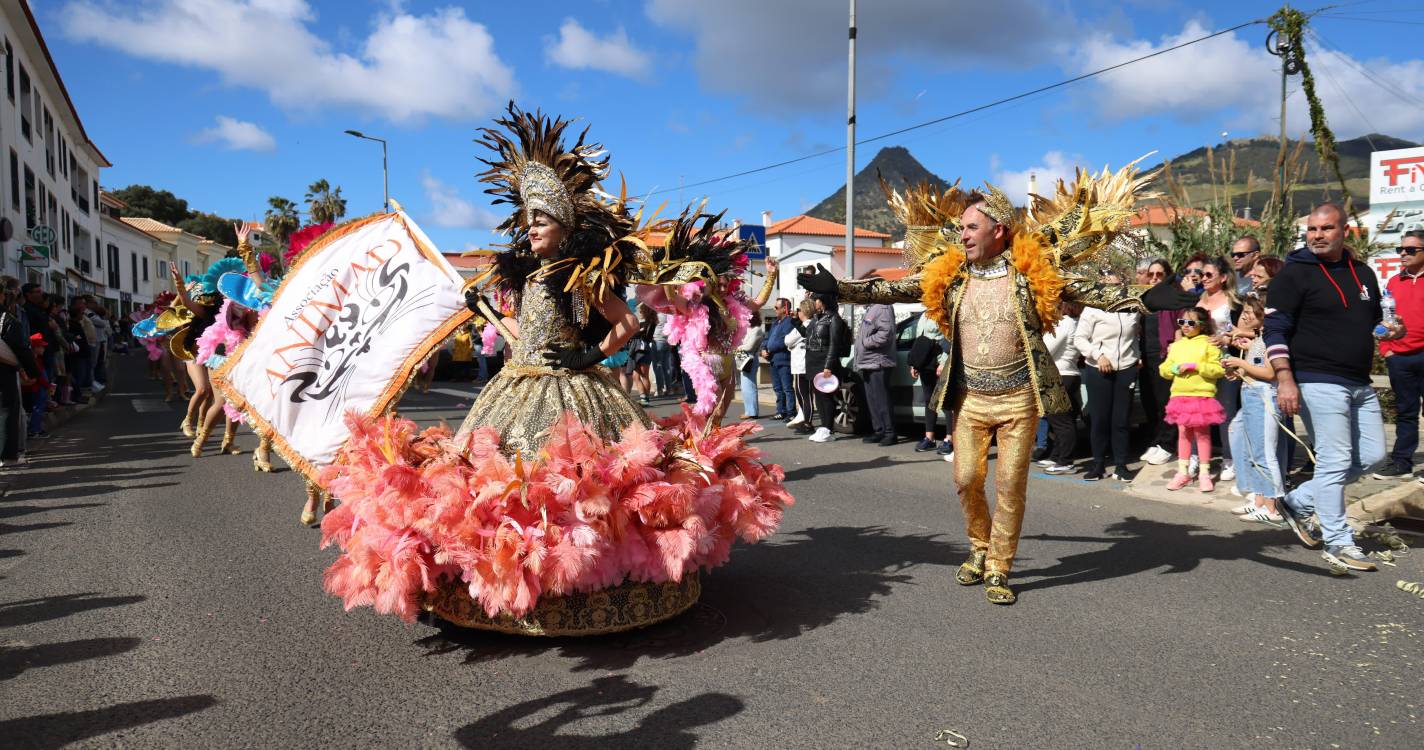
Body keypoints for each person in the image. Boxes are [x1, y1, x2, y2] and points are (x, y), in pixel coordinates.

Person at [319, 104, 792, 630]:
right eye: (528, 219)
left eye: (541, 218)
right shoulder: (531, 277)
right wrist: (489, 311)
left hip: (572, 389)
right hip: (517, 383)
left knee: (582, 488)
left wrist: (586, 356)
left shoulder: (579, 275)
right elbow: (526, 338)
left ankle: (582, 575)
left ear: (564, 224)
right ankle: (505, 576)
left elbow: (627, 323)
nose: (532, 227)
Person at [799, 166, 1189, 604]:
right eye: (961, 228)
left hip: (1020, 398)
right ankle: (978, 547)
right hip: (968, 399)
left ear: (998, 230)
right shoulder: (954, 276)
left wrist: (1144, 297)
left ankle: (999, 566)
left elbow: (1087, 289)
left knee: (1010, 486)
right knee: (966, 479)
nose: (961, 235)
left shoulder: (1029, 272)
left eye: (970, 227)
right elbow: (899, 289)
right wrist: (839, 288)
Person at [1263, 203, 1405, 571]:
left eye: (1326, 229)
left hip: (1358, 381)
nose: (1317, 235)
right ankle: (1338, 541)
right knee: (1335, 460)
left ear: (1344, 231)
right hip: (1315, 379)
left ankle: (1296, 503)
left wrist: (1391, 329)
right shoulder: (1292, 276)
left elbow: (1374, 321)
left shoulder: (1364, 274)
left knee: (1373, 457)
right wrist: (1285, 379)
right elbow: (1274, 330)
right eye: (1312, 229)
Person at [1220, 299, 1288, 523]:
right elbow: (1255, 368)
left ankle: (1272, 507)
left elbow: (1269, 373)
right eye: (1245, 312)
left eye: (1251, 313)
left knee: (1265, 454)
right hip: (1250, 395)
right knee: (1254, 453)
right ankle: (1259, 501)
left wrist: (1240, 365)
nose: (1246, 316)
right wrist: (1239, 369)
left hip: (1263, 397)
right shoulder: (1259, 338)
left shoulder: (1271, 338)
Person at [1074, 270, 1141, 482]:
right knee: (1100, 419)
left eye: (1115, 282)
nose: (1111, 286)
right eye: (1106, 282)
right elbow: (1080, 339)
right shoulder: (1093, 309)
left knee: (1121, 420)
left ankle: (1121, 466)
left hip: (1127, 368)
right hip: (1099, 369)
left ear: (1123, 284)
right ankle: (1098, 465)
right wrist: (1098, 355)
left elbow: (1134, 335)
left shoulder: (1133, 308)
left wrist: (1136, 356)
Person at [1374, 229, 1424, 480]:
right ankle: (1401, 461)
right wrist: (1387, 350)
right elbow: (1386, 320)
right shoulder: (1394, 282)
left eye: (1410, 250)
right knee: (1406, 411)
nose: (1403, 254)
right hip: (1400, 357)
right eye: (1400, 250)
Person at [1160, 307, 1226, 491]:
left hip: (1202, 395)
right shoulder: (1177, 345)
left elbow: (1218, 369)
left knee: (1202, 434)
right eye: (1182, 322)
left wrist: (1196, 366)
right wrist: (1172, 369)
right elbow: (1164, 369)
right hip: (1180, 395)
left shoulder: (1209, 343)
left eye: (1191, 322)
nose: (1185, 326)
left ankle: (1204, 473)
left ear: (1202, 325)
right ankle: (1183, 472)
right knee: (1183, 434)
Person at [1199, 256, 1242, 481]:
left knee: (1227, 412)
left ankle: (1230, 458)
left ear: (1223, 278)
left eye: (1208, 275)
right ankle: (1198, 456)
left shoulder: (1233, 302)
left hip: (1226, 363)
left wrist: (1225, 339)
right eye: (1201, 274)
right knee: (1200, 411)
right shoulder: (1198, 299)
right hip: (1201, 363)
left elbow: (1245, 331)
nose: (1203, 278)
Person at [1138, 258, 1183, 466]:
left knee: (1166, 403)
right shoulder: (1144, 299)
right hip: (1145, 357)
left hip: (1165, 356)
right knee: (1151, 403)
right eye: (1151, 274)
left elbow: (1181, 324)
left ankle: (1167, 444)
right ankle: (1156, 441)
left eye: (1159, 275)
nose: (1154, 278)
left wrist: (1176, 345)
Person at [1038, 302, 1081, 474]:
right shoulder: (1071, 322)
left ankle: (1066, 461)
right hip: (1065, 375)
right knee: (1061, 420)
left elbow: (1046, 350)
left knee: (1061, 420)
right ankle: (1057, 456)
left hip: (1061, 375)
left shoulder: (1065, 323)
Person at [0, 288, 41, 465]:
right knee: (7, 411)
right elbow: (21, 349)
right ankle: (7, 456)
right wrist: (32, 372)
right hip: (4, 371)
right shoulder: (8, 320)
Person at [803, 290, 847, 443]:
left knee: (826, 396)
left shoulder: (833, 319)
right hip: (813, 361)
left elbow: (834, 344)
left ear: (822, 301)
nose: (814, 303)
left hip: (824, 362)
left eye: (816, 300)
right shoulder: (817, 318)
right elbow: (809, 336)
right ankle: (823, 426)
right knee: (818, 396)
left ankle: (828, 428)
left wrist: (828, 365)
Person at [908, 309, 953, 455]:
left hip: (940, 363)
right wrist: (914, 363)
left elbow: (950, 338)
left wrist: (944, 363)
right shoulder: (924, 314)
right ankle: (929, 438)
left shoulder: (944, 312)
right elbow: (919, 340)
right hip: (926, 363)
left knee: (944, 400)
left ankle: (949, 439)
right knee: (929, 401)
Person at [855, 302, 897, 446]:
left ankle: (889, 432)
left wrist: (866, 342)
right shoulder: (872, 308)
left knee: (882, 399)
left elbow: (886, 332)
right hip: (869, 362)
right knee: (873, 399)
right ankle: (879, 430)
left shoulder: (882, 307)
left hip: (878, 361)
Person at [762, 298, 796, 420]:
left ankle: (791, 412)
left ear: (784, 309)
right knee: (777, 388)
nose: (774, 309)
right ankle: (781, 411)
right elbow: (767, 338)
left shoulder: (790, 322)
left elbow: (785, 341)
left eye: (776, 307)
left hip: (784, 360)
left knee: (787, 388)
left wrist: (770, 349)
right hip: (773, 360)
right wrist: (763, 349)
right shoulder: (775, 323)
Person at [786, 299, 813, 433]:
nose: (797, 313)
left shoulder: (804, 326)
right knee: (805, 394)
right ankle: (805, 420)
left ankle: (807, 422)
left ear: (804, 311)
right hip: (805, 364)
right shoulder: (812, 324)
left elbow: (787, 340)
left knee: (803, 395)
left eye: (799, 310)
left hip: (800, 365)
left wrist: (792, 345)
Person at [735, 309, 764, 419]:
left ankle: (752, 411)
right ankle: (749, 410)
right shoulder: (748, 329)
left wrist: (738, 347)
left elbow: (749, 346)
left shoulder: (757, 330)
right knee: (745, 386)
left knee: (750, 386)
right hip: (744, 358)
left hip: (750, 359)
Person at [630, 303, 657, 406]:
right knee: (638, 376)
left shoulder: (648, 323)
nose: (639, 313)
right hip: (642, 351)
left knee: (641, 376)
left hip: (641, 351)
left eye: (641, 311)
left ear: (645, 311)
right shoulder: (649, 322)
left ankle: (644, 398)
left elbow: (643, 336)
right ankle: (645, 398)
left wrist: (636, 333)